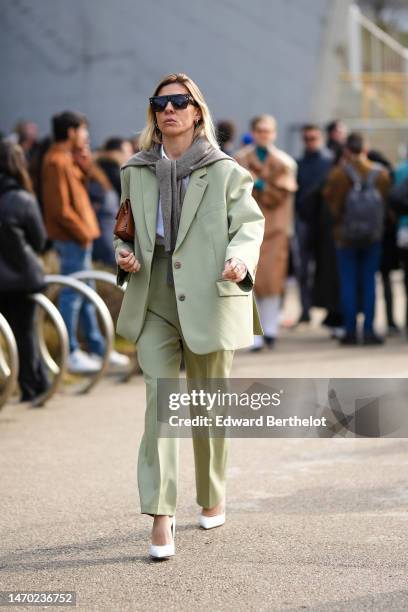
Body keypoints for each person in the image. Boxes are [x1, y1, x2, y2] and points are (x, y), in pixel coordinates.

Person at [113, 72, 264, 559]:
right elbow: (126, 229)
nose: (169, 110)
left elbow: (248, 224)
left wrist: (241, 258)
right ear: (153, 114)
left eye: (180, 102)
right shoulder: (135, 169)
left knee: (208, 405)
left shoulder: (225, 170)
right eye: (160, 103)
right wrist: (124, 253)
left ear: (197, 111)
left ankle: (212, 492)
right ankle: (161, 516)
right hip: (154, 295)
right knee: (160, 403)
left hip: (211, 292)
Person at [42, 111, 128, 373]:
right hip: (73, 238)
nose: (86, 137)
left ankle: (98, 348)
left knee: (86, 293)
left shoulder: (69, 160)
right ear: (71, 132)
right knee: (73, 294)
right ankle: (71, 353)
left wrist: (84, 163)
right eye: (82, 131)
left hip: (81, 236)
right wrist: (82, 232)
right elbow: (61, 209)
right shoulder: (56, 161)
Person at [323, 132, 391, 345]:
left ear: (346, 150)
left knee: (348, 283)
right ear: (366, 148)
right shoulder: (380, 174)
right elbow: (386, 204)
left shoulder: (338, 174)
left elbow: (331, 205)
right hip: (373, 236)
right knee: (370, 281)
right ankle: (369, 330)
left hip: (345, 236)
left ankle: (350, 331)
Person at [235, 115, 297, 350]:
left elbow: (280, 194)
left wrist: (259, 184)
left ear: (274, 133)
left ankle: (270, 328)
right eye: (260, 130)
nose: (264, 135)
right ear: (253, 132)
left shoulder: (284, 162)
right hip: (244, 228)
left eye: (268, 131)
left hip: (274, 229)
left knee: (272, 281)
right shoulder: (239, 159)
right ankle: (254, 333)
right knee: (248, 280)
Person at [0, 140, 51, 402]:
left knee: (9, 336)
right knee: (25, 333)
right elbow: (39, 240)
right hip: (23, 278)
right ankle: (33, 385)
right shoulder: (22, 199)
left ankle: (10, 383)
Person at [294, 124, 334, 326]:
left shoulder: (328, 162)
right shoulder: (298, 163)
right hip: (303, 221)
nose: (310, 141)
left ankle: (327, 309)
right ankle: (305, 309)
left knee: (324, 268)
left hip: (324, 224)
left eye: (314, 138)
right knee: (302, 269)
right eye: (307, 138)